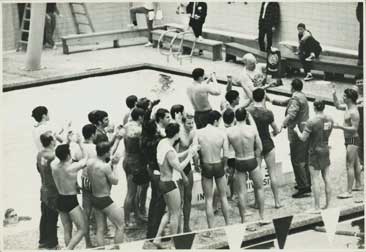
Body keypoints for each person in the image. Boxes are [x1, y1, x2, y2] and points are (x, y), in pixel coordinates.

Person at [153, 123, 194, 248]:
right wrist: (191, 155)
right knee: (176, 214)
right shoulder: (170, 150)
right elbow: (179, 166)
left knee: (170, 212)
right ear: (176, 134)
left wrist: (188, 151)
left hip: (162, 181)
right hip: (169, 184)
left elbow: (175, 157)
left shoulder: (163, 143)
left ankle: (157, 238)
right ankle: (172, 244)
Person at [269, 79, 311, 198]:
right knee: (304, 158)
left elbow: (291, 114)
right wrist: (269, 99)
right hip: (305, 128)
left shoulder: (295, 98)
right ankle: (306, 182)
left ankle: (303, 186)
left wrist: (281, 126)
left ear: (292, 87)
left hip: (297, 131)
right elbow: (284, 103)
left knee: (297, 160)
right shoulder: (301, 96)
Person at [227, 108, 268, 224]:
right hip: (251, 160)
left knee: (241, 192)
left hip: (239, 160)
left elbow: (226, 151)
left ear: (235, 117)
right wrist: (256, 157)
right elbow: (260, 147)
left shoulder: (230, 131)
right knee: (259, 188)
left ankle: (244, 220)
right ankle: (262, 217)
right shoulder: (252, 129)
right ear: (246, 117)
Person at [294, 100, 333, 213]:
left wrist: (297, 130)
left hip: (315, 152)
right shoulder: (330, 119)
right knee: (327, 177)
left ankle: (317, 207)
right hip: (325, 148)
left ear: (314, 107)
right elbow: (326, 130)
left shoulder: (311, 121)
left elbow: (303, 138)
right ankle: (328, 205)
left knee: (315, 179)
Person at [195, 111, 230, 230]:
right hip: (218, 164)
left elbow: (195, 153)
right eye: (219, 121)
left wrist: (196, 165)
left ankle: (211, 229)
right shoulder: (222, 133)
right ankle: (228, 225)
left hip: (206, 165)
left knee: (208, 199)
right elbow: (226, 154)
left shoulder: (198, 133)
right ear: (215, 121)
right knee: (224, 197)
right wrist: (224, 166)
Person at [248, 88, 282, 208]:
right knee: (272, 174)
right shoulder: (268, 113)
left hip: (255, 146)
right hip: (267, 143)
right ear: (263, 97)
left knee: (256, 176)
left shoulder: (249, 112)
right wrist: (275, 133)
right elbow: (276, 129)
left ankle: (257, 202)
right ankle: (277, 202)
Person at [51, 139, 87, 250]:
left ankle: (69, 248)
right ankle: (68, 249)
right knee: (82, 229)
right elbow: (85, 159)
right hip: (70, 200)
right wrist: (80, 143)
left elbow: (59, 156)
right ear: (68, 155)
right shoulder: (72, 167)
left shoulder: (54, 166)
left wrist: (67, 141)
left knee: (67, 229)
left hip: (60, 199)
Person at [87, 142, 125, 247]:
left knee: (100, 228)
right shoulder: (105, 167)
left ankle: (101, 249)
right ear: (106, 153)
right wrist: (116, 166)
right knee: (120, 225)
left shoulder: (90, 162)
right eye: (109, 151)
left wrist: (110, 163)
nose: (110, 153)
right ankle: (117, 249)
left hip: (94, 198)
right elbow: (115, 181)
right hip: (104, 199)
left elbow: (100, 171)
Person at [332, 85, 362, 198]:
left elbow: (354, 128)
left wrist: (340, 127)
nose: (342, 97)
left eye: (344, 96)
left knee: (349, 164)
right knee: (356, 163)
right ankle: (358, 184)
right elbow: (337, 105)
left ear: (349, 98)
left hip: (353, 139)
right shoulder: (347, 107)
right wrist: (334, 94)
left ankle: (348, 191)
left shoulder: (354, 112)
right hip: (348, 139)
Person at [122, 107, 149, 228]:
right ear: (140, 117)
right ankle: (126, 220)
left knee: (134, 192)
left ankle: (137, 215)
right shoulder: (138, 130)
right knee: (131, 193)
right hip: (135, 163)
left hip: (127, 159)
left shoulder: (126, 125)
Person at [141, 120, 166, 239]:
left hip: (151, 170)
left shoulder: (143, 140)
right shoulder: (158, 142)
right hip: (158, 172)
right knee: (160, 204)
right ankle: (156, 233)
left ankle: (151, 231)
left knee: (154, 202)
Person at [37, 132, 59, 249]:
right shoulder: (53, 156)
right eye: (54, 138)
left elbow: (38, 169)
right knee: (52, 217)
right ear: (51, 141)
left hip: (43, 188)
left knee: (45, 216)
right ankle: (53, 243)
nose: (56, 140)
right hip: (52, 191)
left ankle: (43, 240)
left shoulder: (40, 154)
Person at [177, 114, 199, 232]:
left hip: (187, 166)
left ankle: (186, 225)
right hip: (178, 167)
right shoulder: (178, 133)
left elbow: (194, 150)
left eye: (192, 123)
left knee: (188, 197)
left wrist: (197, 163)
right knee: (178, 201)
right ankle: (178, 227)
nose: (191, 125)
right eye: (188, 123)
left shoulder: (193, 132)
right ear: (183, 123)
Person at [79, 124, 98, 248]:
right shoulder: (94, 148)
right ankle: (100, 234)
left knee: (86, 211)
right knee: (99, 209)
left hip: (84, 179)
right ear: (92, 135)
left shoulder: (78, 148)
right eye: (95, 133)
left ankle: (88, 242)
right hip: (95, 180)